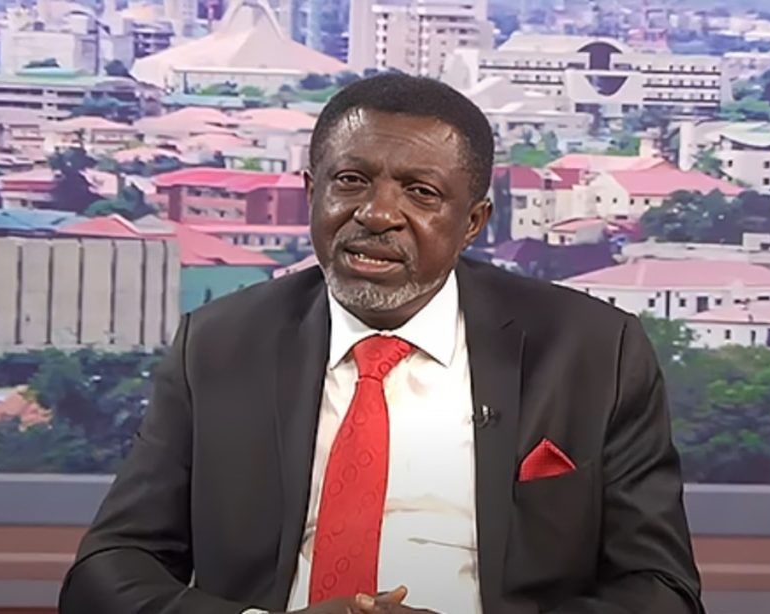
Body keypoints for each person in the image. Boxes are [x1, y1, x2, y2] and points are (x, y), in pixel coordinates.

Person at [58, 73, 703, 614]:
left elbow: (662, 590)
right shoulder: (220, 345)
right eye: (350, 181)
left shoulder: (592, 352)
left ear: (473, 222)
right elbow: (107, 572)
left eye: (421, 193)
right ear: (311, 194)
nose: (377, 214)